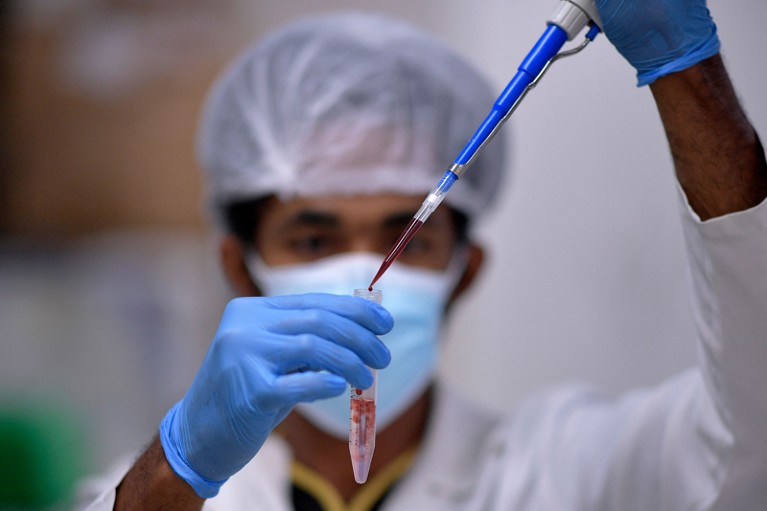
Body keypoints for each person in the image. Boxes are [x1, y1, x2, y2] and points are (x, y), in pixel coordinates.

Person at [78, 1, 767, 510]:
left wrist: (685, 68)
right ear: (238, 266)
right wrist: (178, 466)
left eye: (405, 235)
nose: (361, 278)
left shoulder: (570, 470)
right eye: (313, 239)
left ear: (464, 273)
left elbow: (748, 437)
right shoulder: (147, 489)